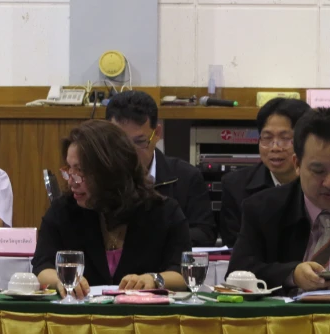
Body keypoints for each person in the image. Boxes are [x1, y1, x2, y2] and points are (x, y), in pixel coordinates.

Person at [32, 120, 190, 298]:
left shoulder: (163, 211)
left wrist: (153, 279)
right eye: (69, 170)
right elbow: (42, 265)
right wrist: (60, 280)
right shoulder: (63, 210)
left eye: (80, 171)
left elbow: (183, 273)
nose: (71, 181)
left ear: (109, 170)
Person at [228, 108, 330, 292]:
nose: (329, 183)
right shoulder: (262, 209)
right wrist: (292, 274)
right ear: (297, 164)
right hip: (287, 319)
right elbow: (238, 273)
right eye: (319, 171)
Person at [105, 90, 216, 247]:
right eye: (120, 143)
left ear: (157, 133)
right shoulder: (98, 176)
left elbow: (205, 233)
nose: (129, 153)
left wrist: (152, 237)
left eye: (139, 142)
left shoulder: (186, 177)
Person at [219, 98, 311, 247]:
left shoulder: (320, 184)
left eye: (286, 138)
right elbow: (235, 246)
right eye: (267, 138)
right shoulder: (235, 185)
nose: (275, 147)